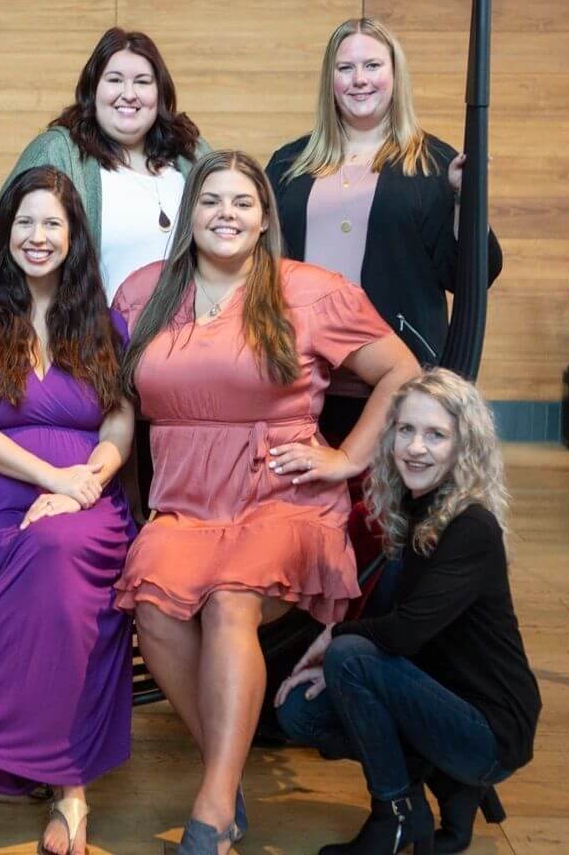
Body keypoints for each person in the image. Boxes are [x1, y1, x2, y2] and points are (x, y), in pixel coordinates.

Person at [110, 150, 420, 855]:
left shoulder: (310, 291)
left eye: (242, 203)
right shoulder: (144, 292)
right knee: (154, 609)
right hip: (185, 502)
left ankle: (213, 806)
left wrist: (345, 458)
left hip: (282, 494)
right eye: (212, 200)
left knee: (230, 601)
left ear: (264, 219)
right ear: (188, 213)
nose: (226, 214)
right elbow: (114, 400)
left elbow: (402, 370)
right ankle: (227, 775)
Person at [0, 166, 136, 855]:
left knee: (60, 554)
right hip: (1, 493)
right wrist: (51, 478)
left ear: (74, 237)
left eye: (52, 224)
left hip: (88, 499)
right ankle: (68, 791)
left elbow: (120, 425)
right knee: (42, 558)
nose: (37, 237)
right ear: (5, 233)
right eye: (25, 223)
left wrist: (87, 481)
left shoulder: (103, 320)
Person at [274, 368, 540, 855]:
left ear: (465, 446)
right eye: (406, 430)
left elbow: (406, 633)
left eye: (436, 435)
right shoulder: (413, 511)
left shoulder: (472, 526)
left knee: (351, 655)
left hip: (489, 729)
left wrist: (335, 635)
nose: (416, 447)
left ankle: (394, 814)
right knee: (300, 712)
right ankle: (433, 793)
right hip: (438, 700)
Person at [266, 17, 503, 445]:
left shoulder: (433, 163)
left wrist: (465, 200)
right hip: (303, 381)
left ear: (395, 75)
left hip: (398, 378)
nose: (360, 80)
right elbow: (264, 262)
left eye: (373, 66)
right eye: (346, 68)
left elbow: (472, 275)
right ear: (330, 80)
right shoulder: (288, 164)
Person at [4, 27, 210, 300]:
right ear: (93, 89)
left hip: (187, 337)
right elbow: (4, 245)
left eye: (142, 81)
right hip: (93, 336)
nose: (129, 94)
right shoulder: (57, 151)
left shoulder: (191, 151)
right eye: (114, 80)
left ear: (160, 92)